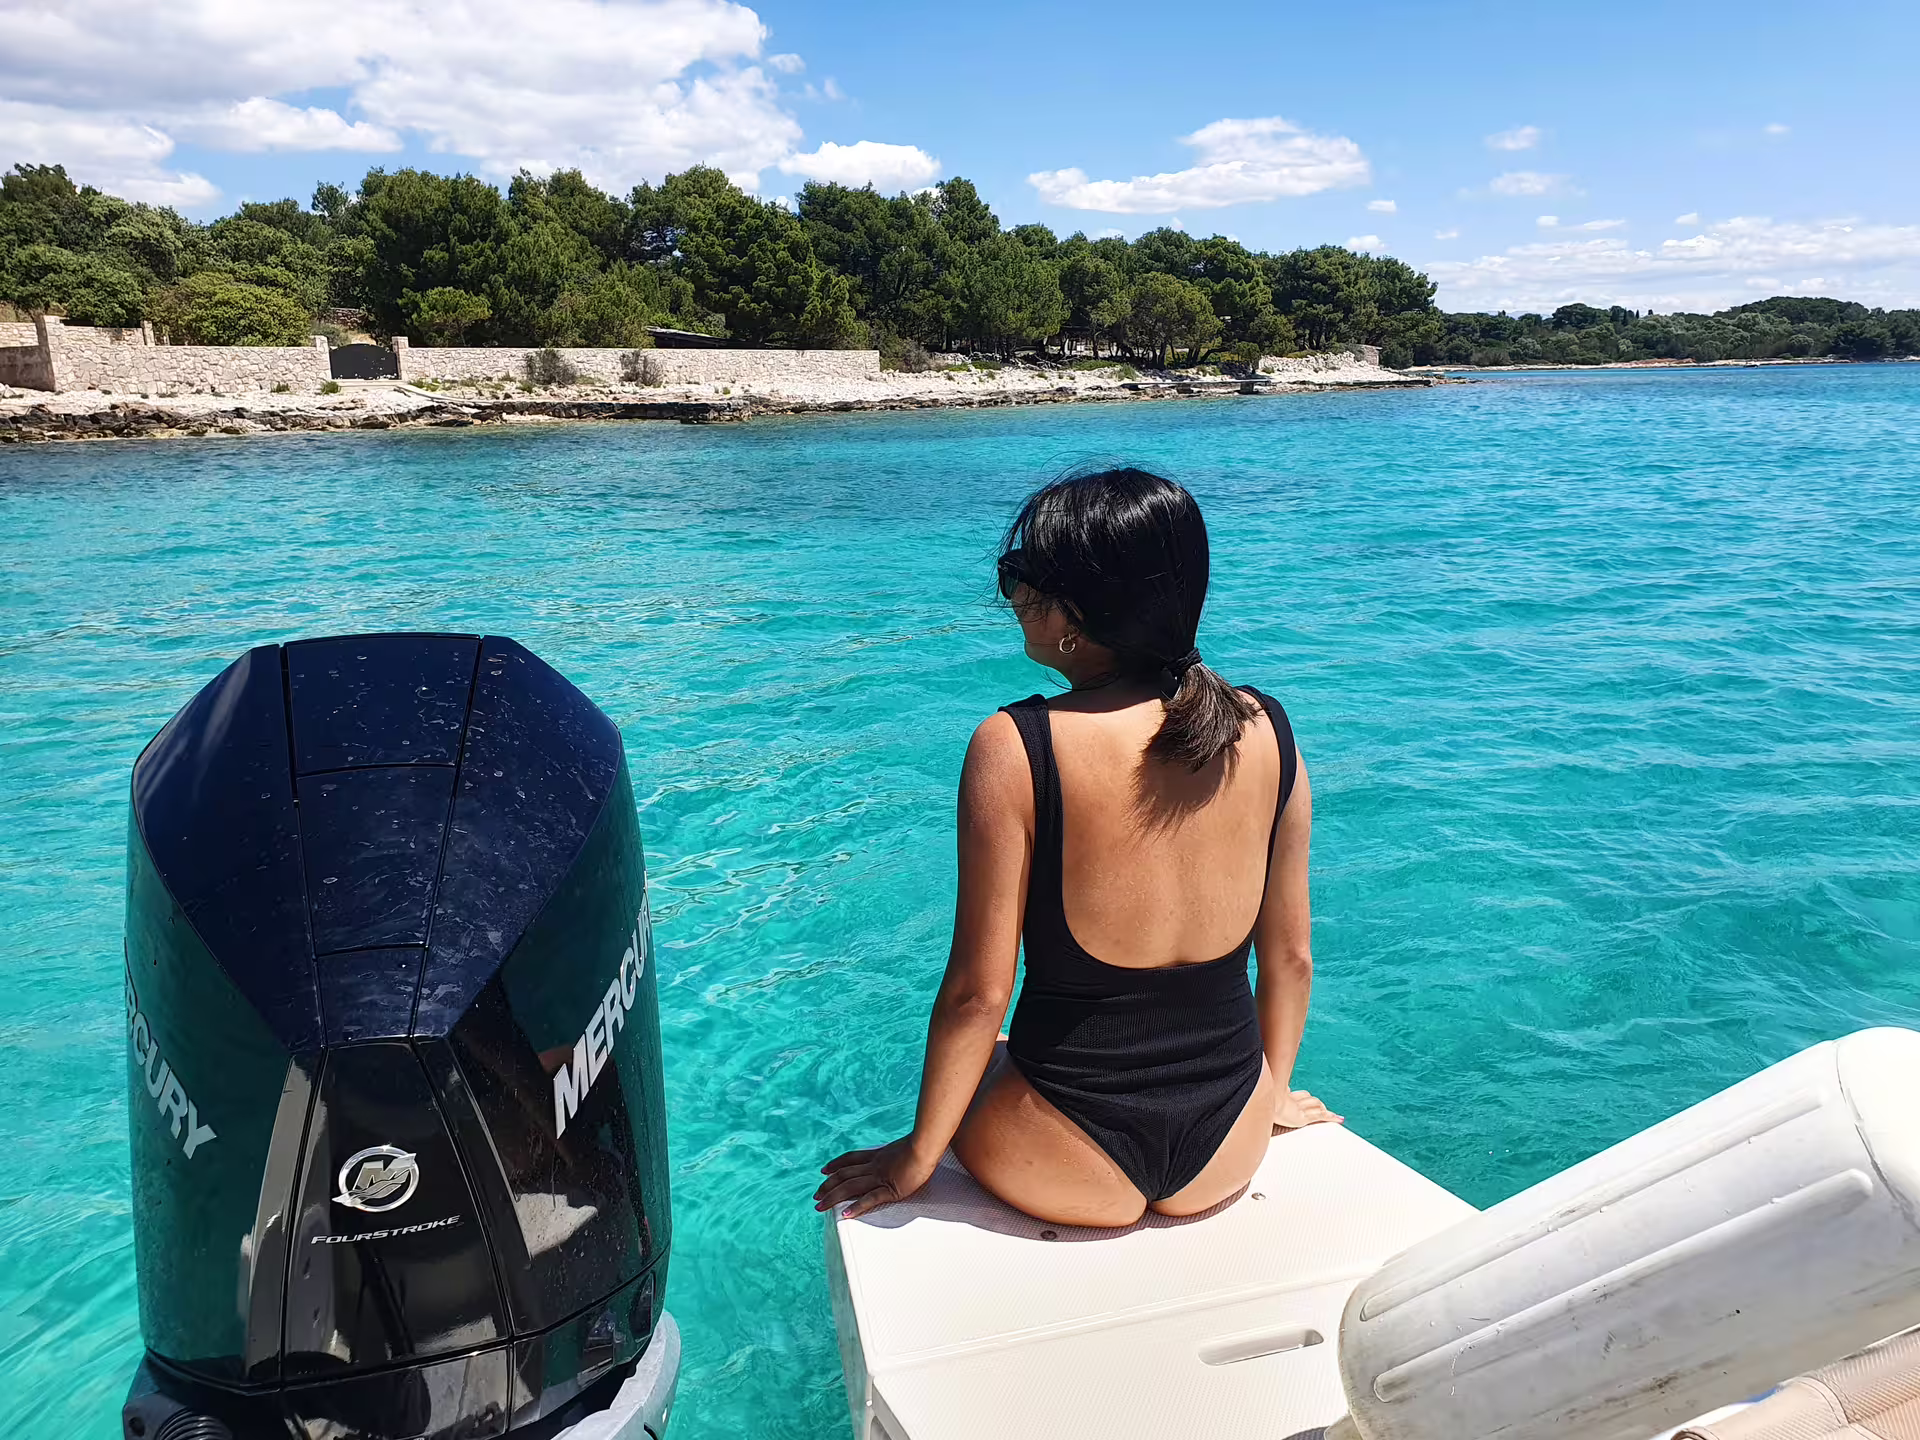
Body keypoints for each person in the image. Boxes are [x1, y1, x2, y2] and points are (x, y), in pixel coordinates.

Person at [815, 468, 1339, 1228]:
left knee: (991, 1044)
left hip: (1062, 1152)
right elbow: (1290, 959)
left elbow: (976, 993)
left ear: (1077, 610)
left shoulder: (1017, 746)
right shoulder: (1267, 727)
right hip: (1229, 1144)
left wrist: (915, 1159)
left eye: (1020, 574)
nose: (1012, 594)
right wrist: (1273, 1097)